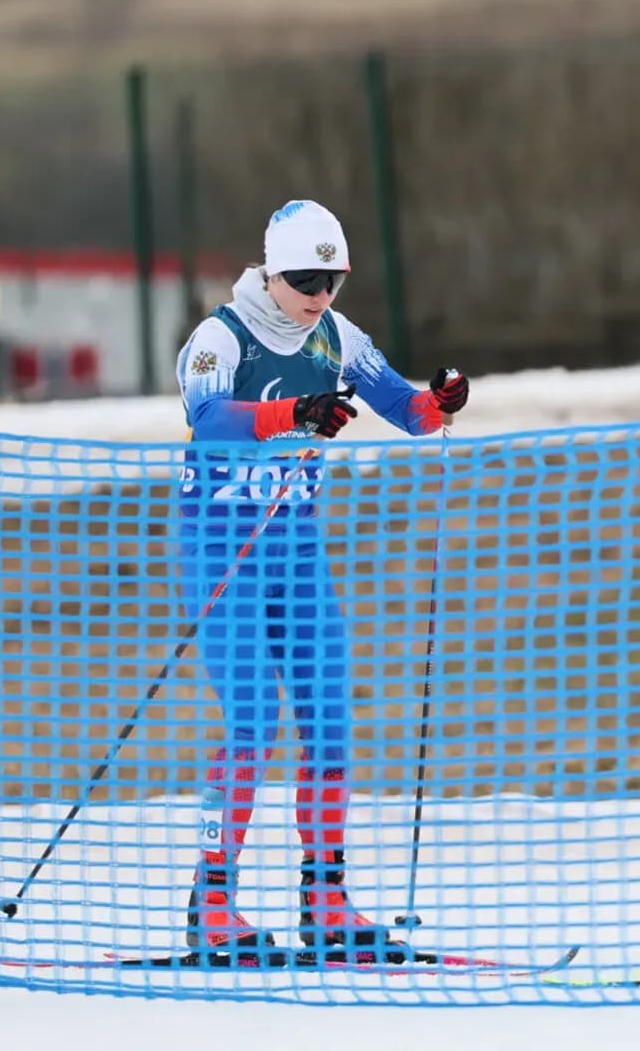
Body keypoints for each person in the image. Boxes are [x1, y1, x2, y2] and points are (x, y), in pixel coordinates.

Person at [172, 198, 470, 960]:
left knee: (330, 718)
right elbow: (211, 420)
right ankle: (211, 903)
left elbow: (407, 410)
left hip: (294, 545)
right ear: (271, 271)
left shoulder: (338, 336)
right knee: (252, 721)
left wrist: (441, 400)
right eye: (306, 279)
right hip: (221, 546)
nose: (319, 294)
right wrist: (295, 415)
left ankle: (326, 898)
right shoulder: (220, 337)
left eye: (333, 280)